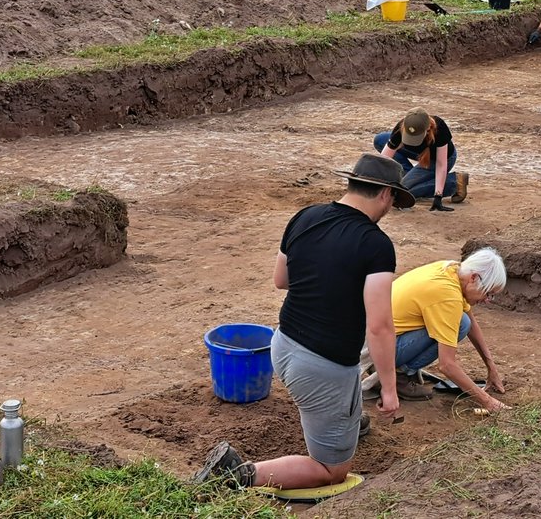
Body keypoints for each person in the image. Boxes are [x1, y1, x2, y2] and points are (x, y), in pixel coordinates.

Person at [192, 153, 408, 489]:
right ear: (384, 193)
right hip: (323, 367)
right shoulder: (376, 244)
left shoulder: (305, 216)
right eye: (394, 198)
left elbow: (282, 279)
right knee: (330, 470)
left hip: (284, 345)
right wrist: (390, 390)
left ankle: (348, 423)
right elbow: (379, 326)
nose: (391, 207)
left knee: (332, 408)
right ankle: (239, 474)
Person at [364, 248, 511, 411]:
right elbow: (447, 365)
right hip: (374, 349)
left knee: (463, 322)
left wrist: (491, 368)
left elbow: (472, 324)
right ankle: (397, 374)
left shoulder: (452, 269)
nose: (488, 300)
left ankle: (392, 368)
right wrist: (488, 402)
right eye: (488, 293)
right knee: (459, 324)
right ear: (474, 278)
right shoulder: (447, 296)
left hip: (372, 336)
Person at [372, 108, 468, 210]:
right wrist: (373, 185)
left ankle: (454, 182)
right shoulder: (401, 127)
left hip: (438, 159)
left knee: (402, 193)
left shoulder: (439, 128)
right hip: (419, 153)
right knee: (380, 140)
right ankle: (409, 176)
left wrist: (438, 197)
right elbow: (383, 160)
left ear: (427, 130)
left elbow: (441, 164)